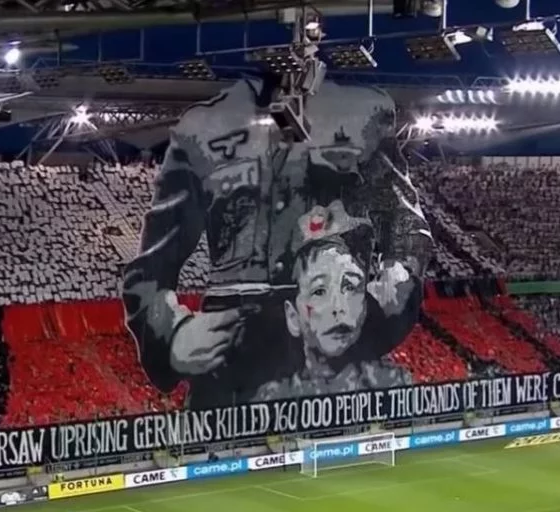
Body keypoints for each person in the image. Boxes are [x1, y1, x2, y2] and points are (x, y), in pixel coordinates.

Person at [122, 76, 433, 409]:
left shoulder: (363, 111)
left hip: (338, 369)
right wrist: (173, 334)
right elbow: (149, 269)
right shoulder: (201, 128)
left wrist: (391, 297)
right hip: (231, 377)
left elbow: (407, 226)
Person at [254, 202, 412, 400]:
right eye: (319, 291)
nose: (339, 307)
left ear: (364, 306)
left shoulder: (393, 386)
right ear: (293, 316)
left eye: (350, 287)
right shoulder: (272, 399)